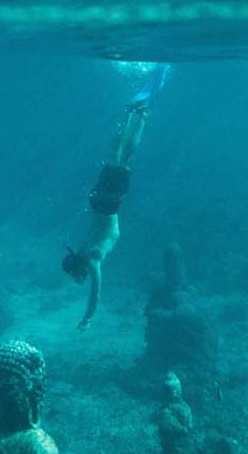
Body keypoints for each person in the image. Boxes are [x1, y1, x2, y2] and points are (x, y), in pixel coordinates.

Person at [63, 66, 169, 328]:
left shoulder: (91, 260)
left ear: (79, 269)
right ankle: (131, 114)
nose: (79, 279)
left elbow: (95, 294)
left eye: (77, 276)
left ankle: (141, 114)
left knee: (127, 156)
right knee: (115, 157)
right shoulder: (80, 250)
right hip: (98, 201)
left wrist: (87, 318)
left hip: (111, 205)